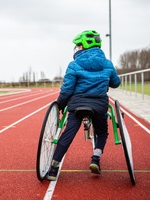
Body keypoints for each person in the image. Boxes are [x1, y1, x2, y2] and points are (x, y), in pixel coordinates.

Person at [47, 30, 121, 181]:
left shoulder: (74, 64)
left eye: (78, 45)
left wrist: (60, 104)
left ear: (83, 46)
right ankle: (95, 158)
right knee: (102, 132)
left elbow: (67, 89)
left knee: (69, 132)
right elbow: (116, 83)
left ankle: (54, 168)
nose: (77, 48)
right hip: (100, 104)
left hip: (78, 104)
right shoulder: (107, 63)